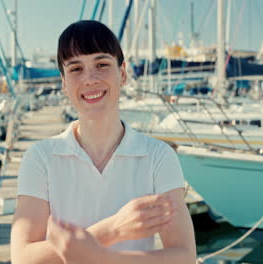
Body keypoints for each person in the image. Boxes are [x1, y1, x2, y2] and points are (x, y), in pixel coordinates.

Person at [11, 20, 196, 264]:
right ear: (64, 83)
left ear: (122, 73)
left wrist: (100, 256)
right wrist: (113, 230)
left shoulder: (158, 157)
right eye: (76, 69)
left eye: (101, 64)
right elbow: (23, 258)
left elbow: (183, 255)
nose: (90, 79)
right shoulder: (41, 158)